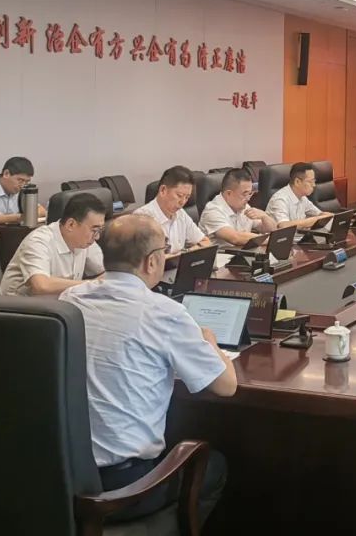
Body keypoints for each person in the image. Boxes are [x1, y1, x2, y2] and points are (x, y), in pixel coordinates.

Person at [60, 214, 236, 525]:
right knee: (214, 465)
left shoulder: (70, 300)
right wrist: (211, 344)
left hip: (65, 479)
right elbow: (226, 386)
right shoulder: (164, 312)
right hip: (124, 488)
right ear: (151, 261)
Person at [0, 192, 106, 296]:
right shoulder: (38, 241)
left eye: (99, 230)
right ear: (71, 224)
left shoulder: (85, 241)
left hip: (59, 304)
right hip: (19, 307)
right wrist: (91, 285)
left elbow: (104, 271)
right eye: (94, 230)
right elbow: (41, 286)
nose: (97, 237)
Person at [133, 166, 211, 255]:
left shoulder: (181, 214)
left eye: (187, 197)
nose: (183, 202)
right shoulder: (142, 218)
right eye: (179, 195)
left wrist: (185, 253)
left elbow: (206, 242)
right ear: (163, 190)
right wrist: (180, 256)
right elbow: (146, 258)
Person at [199, 168, 277, 247]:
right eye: (244, 194)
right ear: (228, 194)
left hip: (242, 252)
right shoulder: (213, 211)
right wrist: (269, 240)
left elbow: (272, 229)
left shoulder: (244, 206)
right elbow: (236, 238)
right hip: (222, 254)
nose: (248, 198)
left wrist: (264, 216)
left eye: (250, 193)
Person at [265, 162, 333, 229]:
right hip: (282, 236)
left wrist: (327, 216)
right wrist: (315, 219)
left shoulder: (303, 197)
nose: (314, 185)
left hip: (299, 235)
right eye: (310, 182)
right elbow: (283, 226)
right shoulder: (280, 199)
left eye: (314, 181)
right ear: (297, 182)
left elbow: (319, 214)